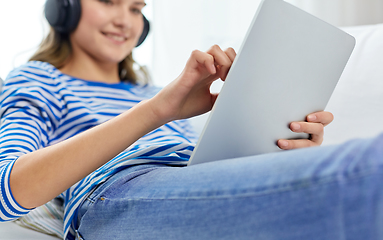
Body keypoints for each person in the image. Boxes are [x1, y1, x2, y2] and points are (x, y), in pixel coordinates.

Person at [2, 0, 382, 239]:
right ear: (63, 7)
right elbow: (7, 191)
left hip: (186, 175)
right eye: (109, 1)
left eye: (136, 9)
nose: (125, 20)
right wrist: (156, 111)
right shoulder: (37, 79)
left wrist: (286, 148)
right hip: (114, 194)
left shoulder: (148, 91)